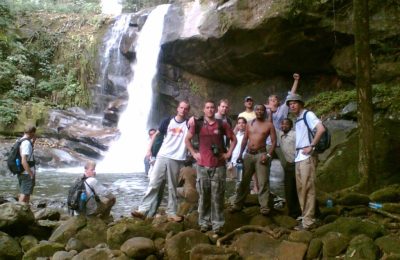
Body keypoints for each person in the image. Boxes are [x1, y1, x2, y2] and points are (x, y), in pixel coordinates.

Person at [132, 100, 190, 222]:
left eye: (186, 109)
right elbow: (155, 135)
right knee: (153, 182)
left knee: (172, 187)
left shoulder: (189, 124)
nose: (183, 110)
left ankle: (172, 212)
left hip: (176, 158)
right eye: (181, 108)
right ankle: (142, 210)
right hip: (162, 155)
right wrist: (148, 150)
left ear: (188, 110)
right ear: (177, 109)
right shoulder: (167, 121)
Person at [185, 100, 237, 235]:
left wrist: (228, 154)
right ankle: (204, 223)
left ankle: (218, 225)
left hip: (218, 166)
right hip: (202, 165)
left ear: (215, 110)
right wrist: (194, 153)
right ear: (204, 110)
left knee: (218, 195)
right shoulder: (198, 124)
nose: (210, 109)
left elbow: (234, 139)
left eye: (212, 107)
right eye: (207, 107)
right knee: (204, 195)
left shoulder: (222, 124)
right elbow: (187, 139)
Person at [286, 94, 326, 230]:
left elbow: (321, 129)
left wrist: (312, 146)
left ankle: (308, 221)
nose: (292, 105)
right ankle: (306, 217)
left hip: (307, 157)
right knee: (301, 189)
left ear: (301, 104)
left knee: (308, 189)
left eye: (294, 103)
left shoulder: (308, 114)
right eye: (290, 104)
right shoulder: (297, 119)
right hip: (299, 157)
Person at [230, 105, 276, 216]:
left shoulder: (269, 125)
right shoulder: (249, 123)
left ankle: (264, 207)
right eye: (257, 110)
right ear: (255, 111)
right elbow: (245, 139)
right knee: (244, 181)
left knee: (263, 182)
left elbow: (274, 142)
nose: (259, 111)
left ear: (264, 112)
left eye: (261, 110)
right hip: (248, 155)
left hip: (261, 154)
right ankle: (238, 204)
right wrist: (240, 154)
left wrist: (268, 155)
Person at [276, 118, 301, 218]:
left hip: (298, 164)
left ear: (291, 126)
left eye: (286, 124)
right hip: (289, 165)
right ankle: (293, 213)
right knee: (289, 189)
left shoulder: (295, 134)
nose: (283, 126)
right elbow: (270, 125)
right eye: (282, 124)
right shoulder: (280, 135)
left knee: (300, 188)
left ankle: (310, 211)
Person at [17, 126, 37, 204]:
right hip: (26, 173)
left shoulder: (21, 140)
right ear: (32, 133)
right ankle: (19, 212)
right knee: (24, 194)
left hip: (22, 171)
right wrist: (31, 174)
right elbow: (24, 161)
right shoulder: (26, 143)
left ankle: (26, 210)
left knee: (26, 192)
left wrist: (33, 142)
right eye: (34, 133)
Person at [228, 117, 247, 184]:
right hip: (234, 161)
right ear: (237, 125)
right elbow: (232, 149)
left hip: (244, 160)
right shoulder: (235, 136)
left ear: (246, 124)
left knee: (242, 180)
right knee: (236, 180)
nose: (241, 124)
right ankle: (238, 193)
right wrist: (230, 162)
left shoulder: (248, 135)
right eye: (239, 123)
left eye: (243, 123)